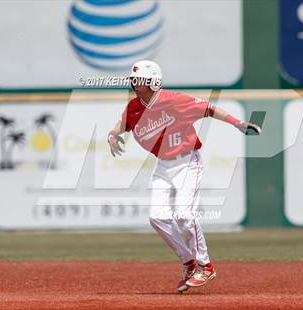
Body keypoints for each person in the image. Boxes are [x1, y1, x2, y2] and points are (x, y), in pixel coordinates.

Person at [108, 60, 261, 293]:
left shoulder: (173, 100)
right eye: (133, 78)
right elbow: (124, 123)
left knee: (184, 215)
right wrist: (113, 133)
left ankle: (206, 266)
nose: (134, 82)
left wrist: (238, 123)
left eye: (139, 79)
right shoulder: (134, 108)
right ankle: (189, 263)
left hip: (188, 161)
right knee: (157, 217)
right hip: (164, 165)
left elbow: (209, 109)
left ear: (152, 82)